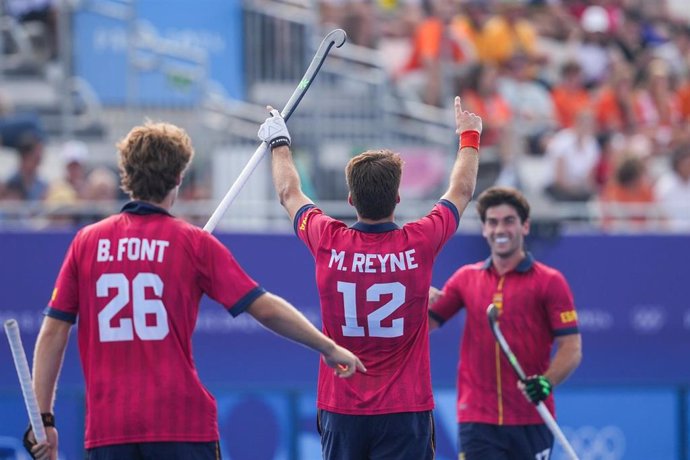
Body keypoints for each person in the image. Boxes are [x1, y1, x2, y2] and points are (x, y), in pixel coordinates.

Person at [25, 121, 365, 460]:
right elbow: (265, 308)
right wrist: (329, 347)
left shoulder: (87, 242)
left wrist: (44, 419)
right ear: (178, 177)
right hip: (182, 424)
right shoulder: (192, 242)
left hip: (109, 430)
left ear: (125, 174)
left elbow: (53, 332)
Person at [261, 96, 481, 459]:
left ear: (350, 199)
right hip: (406, 411)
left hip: (340, 408)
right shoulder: (421, 240)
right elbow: (461, 190)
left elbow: (288, 193)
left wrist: (279, 144)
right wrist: (470, 135)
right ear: (397, 197)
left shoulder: (327, 238)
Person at [428, 186, 582, 460]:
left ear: (525, 226)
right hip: (477, 420)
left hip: (532, 417)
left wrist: (546, 382)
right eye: (493, 222)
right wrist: (414, 293)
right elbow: (426, 323)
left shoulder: (549, 281)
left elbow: (571, 348)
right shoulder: (466, 277)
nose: (500, 229)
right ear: (485, 229)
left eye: (509, 221)